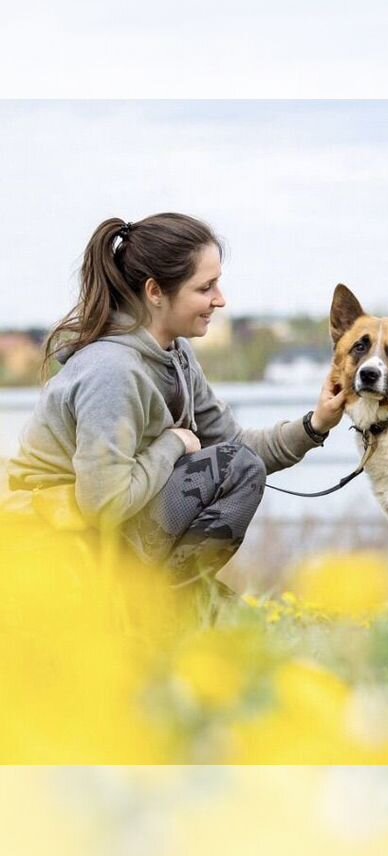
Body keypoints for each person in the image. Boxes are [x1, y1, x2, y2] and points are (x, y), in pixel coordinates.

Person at [4, 213, 344, 594]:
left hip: (107, 534)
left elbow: (235, 447)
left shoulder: (175, 354)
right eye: (206, 287)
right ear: (155, 292)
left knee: (229, 614)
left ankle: (163, 606)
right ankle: (146, 611)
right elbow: (104, 503)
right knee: (237, 470)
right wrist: (173, 444)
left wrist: (317, 424)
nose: (220, 299)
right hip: (56, 547)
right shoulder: (112, 372)